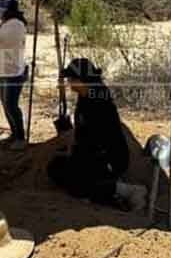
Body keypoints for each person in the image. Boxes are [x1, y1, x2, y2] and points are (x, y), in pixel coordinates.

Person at [48, 58, 148, 211]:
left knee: (78, 183)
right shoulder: (85, 95)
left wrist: (78, 156)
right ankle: (104, 190)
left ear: (81, 80)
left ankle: (126, 190)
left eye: (71, 79)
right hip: (90, 153)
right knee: (56, 168)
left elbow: (98, 141)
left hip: (109, 158)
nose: (69, 82)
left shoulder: (99, 102)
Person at [0, 0, 28, 151]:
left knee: (11, 105)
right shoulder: (5, 23)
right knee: (6, 104)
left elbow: (0, 38)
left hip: (13, 72)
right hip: (3, 70)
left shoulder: (16, 24)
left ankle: (21, 137)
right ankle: (14, 134)